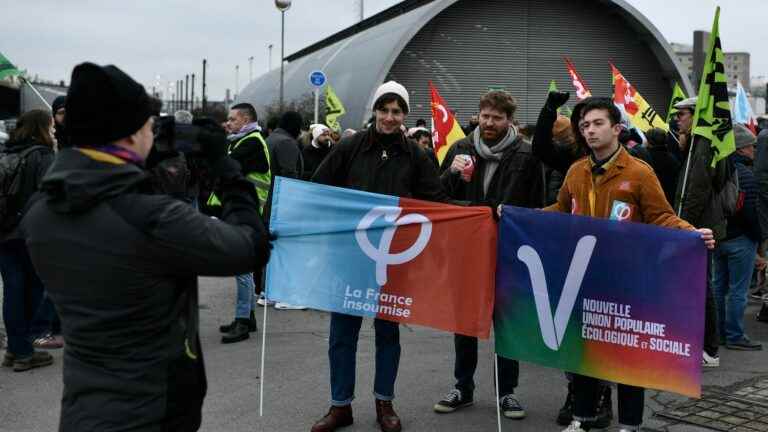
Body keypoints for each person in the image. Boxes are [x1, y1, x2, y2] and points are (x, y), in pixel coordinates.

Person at [21, 62, 271, 431]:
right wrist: (225, 168)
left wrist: (136, 159)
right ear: (129, 134)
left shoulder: (43, 210)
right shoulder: (152, 219)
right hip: (153, 411)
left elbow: (100, 189)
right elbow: (250, 248)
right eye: (147, 126)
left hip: (84, 408)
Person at [548, 98, 714, 432]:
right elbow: (561, 210)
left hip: (626, 281)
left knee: (627, 359)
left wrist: (692, 233)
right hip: (585, 279)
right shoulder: (576, 170)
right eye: (584, 126)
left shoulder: (639, 172)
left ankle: (630, 424)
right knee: (583, 356)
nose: (590, 131)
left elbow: (661, 215)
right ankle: (581, 419)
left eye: (597, 123)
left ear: (617, 128)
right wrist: (520, 218)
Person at [310, 81, 453, 432]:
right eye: (384, 110)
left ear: (404, 115)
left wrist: (477, 213)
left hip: (394, 262)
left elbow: (433, 204)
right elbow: (318, 186)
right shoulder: (350, 146)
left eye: (397, 111)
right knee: (342, 334)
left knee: (388, 335)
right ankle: (339, 406)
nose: (390, 117)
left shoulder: (417, 155)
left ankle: (384, 404)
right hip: (350, 259)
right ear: (375, 110)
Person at [434, 90, 542, 420]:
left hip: (508, 254)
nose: (489, 122)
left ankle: (506, 392)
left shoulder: (526, 155)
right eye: (485, 116)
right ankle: (462, 386)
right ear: (477, 116)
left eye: (496, 117)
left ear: (510, 121)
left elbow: (536, 205)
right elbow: (438, 198)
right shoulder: (461, 149)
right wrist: (452, 174)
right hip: (466, 252)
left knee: (506, 324)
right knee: (465, 322)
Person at [672, 96, 730, 368]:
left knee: (702, 287)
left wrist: (682, 226)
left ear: (696, 115)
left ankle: (709, 349)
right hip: (699, 226)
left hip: (699, 228)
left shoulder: (703, 144)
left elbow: (695, 190)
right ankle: (702, 345)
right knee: (697, 286)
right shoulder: (694, 144)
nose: (677, 119)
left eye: (682, 114)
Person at [0, 109, 57, 371]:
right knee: (33, 290)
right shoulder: (42, 155)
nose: (54, 131)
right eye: (52, 127)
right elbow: (51, 194)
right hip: (29, 233)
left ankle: (14, 349)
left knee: (12, 290)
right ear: (43, 128)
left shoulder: (8, 152)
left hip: (3, 232)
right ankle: (24, 352)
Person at [215, 102, 272, 343]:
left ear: (246, 120)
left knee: (242, 267)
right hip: (242, 210)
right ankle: (247, 317)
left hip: (246, 212)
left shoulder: (251, 142)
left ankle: (243, 320)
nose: (228, 123)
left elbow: (225, 169)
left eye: (233, 119)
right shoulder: (244, 140)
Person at [713, 124, 763, 350]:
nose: (754, 150)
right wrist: (757, 237)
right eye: (751, 147)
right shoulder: (746, 175)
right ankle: (735, 336)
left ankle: (718, 334)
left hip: (719, 237)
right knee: (738, 291)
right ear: (741, 149)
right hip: (740, 240)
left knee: (718, 288)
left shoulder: (716, 169)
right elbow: (750, 213)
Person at [265, 110, 307, 310]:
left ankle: (269, 292)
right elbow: (290, 176)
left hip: (270, 202)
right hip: (283, 203)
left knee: (274, 249)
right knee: (287, 249)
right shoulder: (287, 143)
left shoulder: (271, 139)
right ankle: (286, 295)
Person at [645, 127, 681, 206]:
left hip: (648, 201)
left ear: (649, 142)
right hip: (668, 202)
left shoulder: (645, 158)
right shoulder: (673, 159)